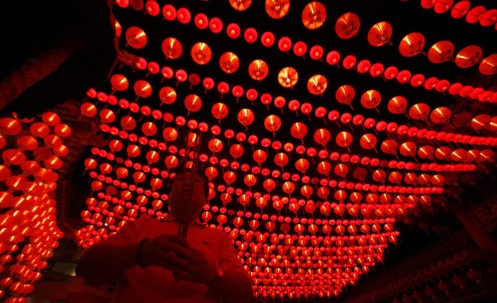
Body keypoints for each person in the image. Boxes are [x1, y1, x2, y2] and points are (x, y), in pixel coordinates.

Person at [75, 171, 254, 303]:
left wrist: (212, 277)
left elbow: (244, 294)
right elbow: (86, 267)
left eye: (197, 181)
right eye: (180, 179)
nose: (187, 183)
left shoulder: (218, 236)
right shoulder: (143, 225)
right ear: (168, 195)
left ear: (206, 200)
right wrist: (141, 252)